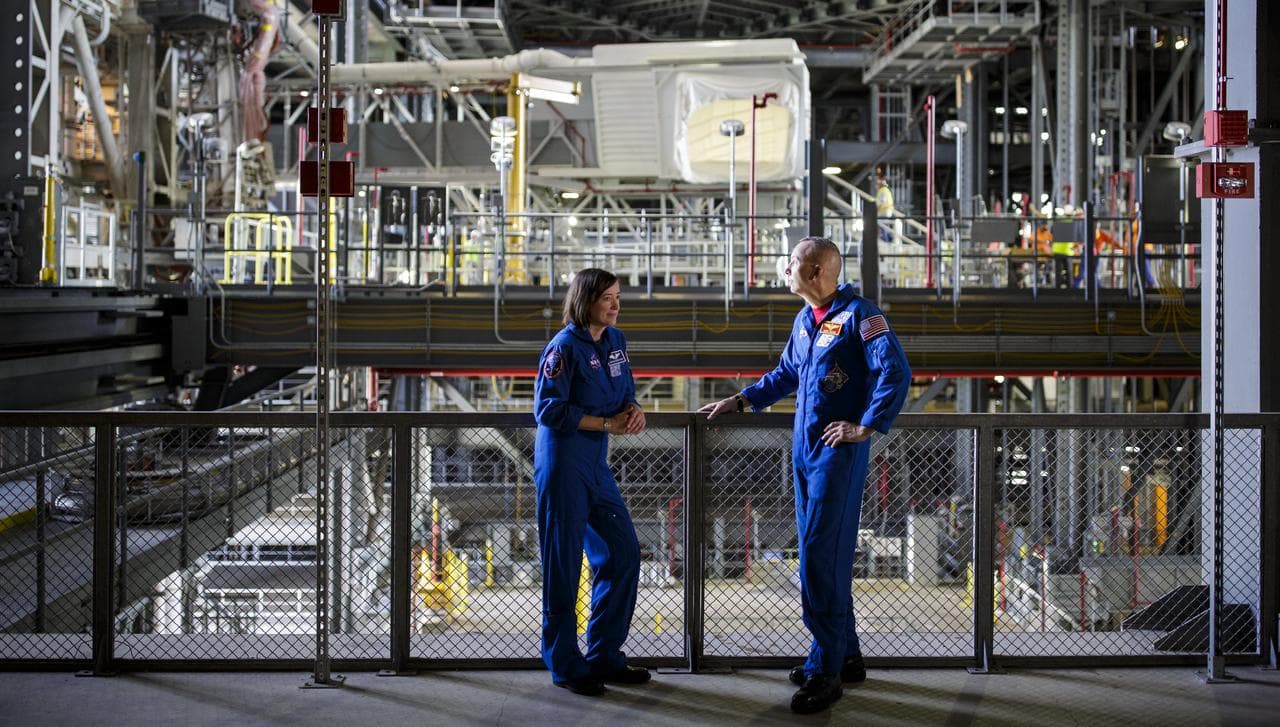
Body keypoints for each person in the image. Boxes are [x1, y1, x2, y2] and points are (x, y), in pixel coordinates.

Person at [699, 237, 911, 715]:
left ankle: (825, 668)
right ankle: (847, 654)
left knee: (819, 556)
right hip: (805, 450)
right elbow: (786, 374)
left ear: (816, 271)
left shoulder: (862, 315)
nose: (784, 269)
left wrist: (867, 424)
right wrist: (741, 400)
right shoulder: (805, 320)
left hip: (838, 452)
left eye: (791, 263)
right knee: (823, 556)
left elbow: (894, 372)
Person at [533, 268, 650, 696]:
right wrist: (605, 422)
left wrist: (633, 409)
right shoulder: (563, 349)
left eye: (619, 297)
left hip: (596, 464)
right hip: (564, 462)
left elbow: (624, 391)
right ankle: (565, 664)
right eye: (608, 298)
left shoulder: (616, 342)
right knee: (563, 565)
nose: (616, 305)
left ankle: (604, 655)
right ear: (586, 301)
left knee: (622, 552)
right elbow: (548, 410)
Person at [875, 169, 895, 243]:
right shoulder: (886, 190)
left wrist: (875, 209)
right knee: (884, 226)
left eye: (877, 183)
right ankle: (887, 238)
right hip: (887, 210)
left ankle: (886, 239)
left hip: (884, 211)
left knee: (883, 226)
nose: (876, 185)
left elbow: (881, 201)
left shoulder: (883, 190)